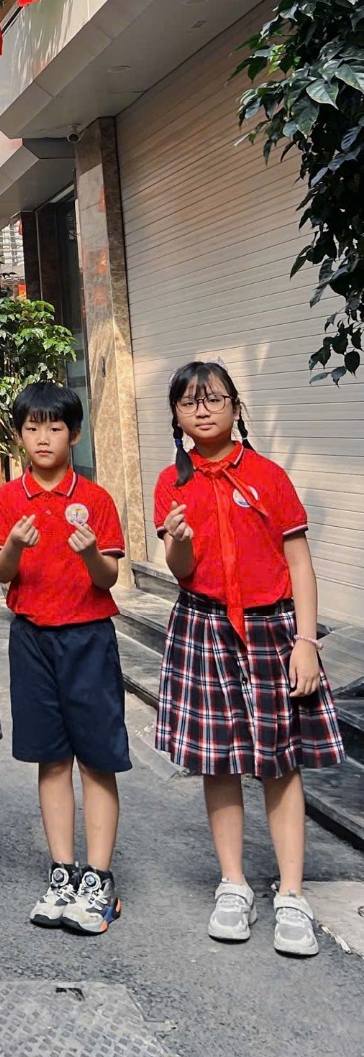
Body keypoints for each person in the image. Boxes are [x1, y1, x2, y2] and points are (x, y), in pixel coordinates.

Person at [155, 360, 344, 958]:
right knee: (219, 761)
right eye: (189, 402)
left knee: (280, 763)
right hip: (204, 625)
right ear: (177, 417)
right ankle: (233, 883)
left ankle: (291, 893)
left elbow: (299, 565)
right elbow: (181, 572)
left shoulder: (269, 477)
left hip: (273, 630)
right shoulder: (172, 483)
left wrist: (307, 642)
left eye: (213, 399)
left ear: (237, 407)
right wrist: (177, 540)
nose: (202, 409)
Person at [0, 382, 129, 936]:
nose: (43, 438)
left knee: (96, 758)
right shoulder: (6, 500)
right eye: (32, 428)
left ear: (73, 433)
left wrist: (90, 549)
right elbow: (1, 574)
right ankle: (62, 871)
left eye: (54, 427)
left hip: (88, 637)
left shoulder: (95, 500)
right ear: (19, 436)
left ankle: (99, 877)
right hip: (32, 638)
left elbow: (108, 577)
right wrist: (15, 545)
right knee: (51, 758)